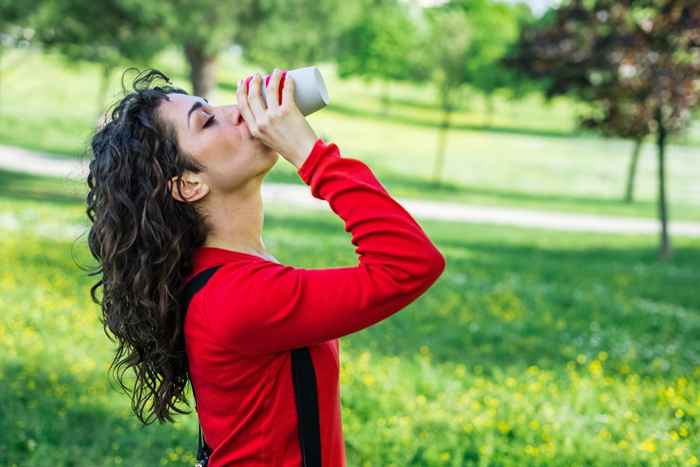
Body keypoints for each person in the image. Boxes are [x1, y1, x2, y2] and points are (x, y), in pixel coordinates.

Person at [85, 67, 445, 466]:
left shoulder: (227, 272)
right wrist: (310, 154)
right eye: (207, 122)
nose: (236, 111)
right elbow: (409, 264)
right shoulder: (237, 296)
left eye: (212, 105)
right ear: (188, 184)